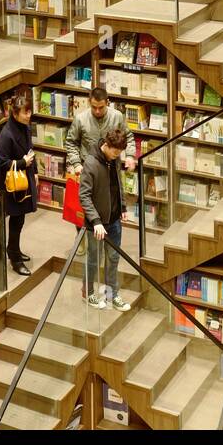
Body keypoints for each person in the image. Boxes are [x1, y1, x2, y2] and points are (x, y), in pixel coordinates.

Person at [78, 126, 131, 311]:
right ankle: (88, 292)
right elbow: (84, 196)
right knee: (93, 258)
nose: (117, 155)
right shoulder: (91, 164)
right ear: (106, 146)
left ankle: (112, 295)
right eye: (115, 151)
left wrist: (122, 207)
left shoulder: (114, 159)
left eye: (119, 153)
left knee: (113, 258)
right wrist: (96, 221)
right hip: (97, 225)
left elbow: (118, 184)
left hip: (115, 220)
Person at [0, 90, 37, 276]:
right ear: (15, 114)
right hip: (13, 184)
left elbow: (30, 150)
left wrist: (34, 171)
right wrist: (23, 163)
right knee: (16, 220)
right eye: (25, 112)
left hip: (25, 178)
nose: (29, 115)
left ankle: (14, 249)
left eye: (29, 111)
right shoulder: (6, 135)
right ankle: (14, 258)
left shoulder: (25, 127)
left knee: (19, 220)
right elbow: (2, 163)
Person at [65, 86, 136, 177]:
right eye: (94, 107)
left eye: (101, 107)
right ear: (89, 102)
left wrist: (130, 155)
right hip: (88, 167)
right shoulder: (80, 119)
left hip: (112, 167)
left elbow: (128, 137)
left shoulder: (117, 116)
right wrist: (77, 164)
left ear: (107, 102)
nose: (97, 111)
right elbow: (71, 143)